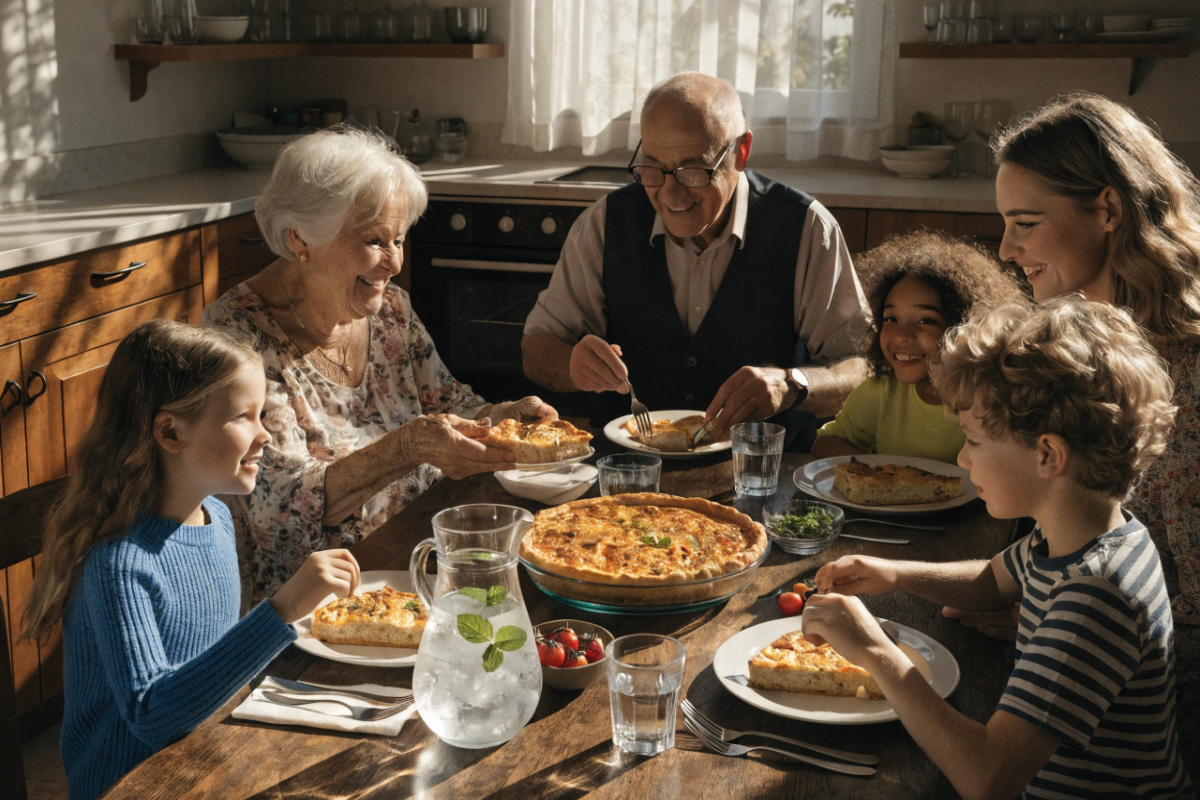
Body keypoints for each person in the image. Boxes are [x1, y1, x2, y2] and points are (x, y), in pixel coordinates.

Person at [806, 298, 1190, 798]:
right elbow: (994, 580)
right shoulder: (1086, 533)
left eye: (974, 442)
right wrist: (894, 573)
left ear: (1047, 455)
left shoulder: (1095, 596)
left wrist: (876, 651)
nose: (963, 459)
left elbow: (987, 778)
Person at [203, 126, 557, 604]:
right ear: (301, 238)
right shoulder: (237, 335)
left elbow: (452, 406)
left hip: (422, 566)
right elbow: (279, 510)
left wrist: (503, 418)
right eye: (374, 240)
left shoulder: (392, 312)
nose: (392, 262)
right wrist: (409, 446)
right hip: (314, 608)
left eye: (400, 239)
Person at [20, 320, 363, 800]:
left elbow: (212, 666)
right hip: (135, 789)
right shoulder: (119, 563)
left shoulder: (217, 519)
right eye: (244, 416)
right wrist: (281, 610)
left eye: (261, 414)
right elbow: (153, 717)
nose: (264, 435)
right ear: (170, 431)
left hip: (209, 768)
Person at [521, 72, 869, 445]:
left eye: (693, 171)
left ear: (741, 152)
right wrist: (571, 365)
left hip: (761, 475)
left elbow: (862, 368)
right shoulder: (604, 224)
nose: (671, 194)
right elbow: (537, 350)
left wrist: (793, 383)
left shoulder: (806, 228)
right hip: (625, 482)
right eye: (653, 168)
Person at [812, 231, 1027, 464]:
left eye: (926, 321)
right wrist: (891, 472)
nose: (901, 336)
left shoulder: (988, 399)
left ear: (965, 328)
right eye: (890, 319)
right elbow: (824, 445)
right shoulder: (881, 392)